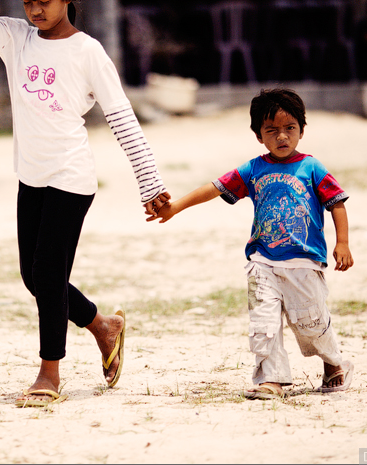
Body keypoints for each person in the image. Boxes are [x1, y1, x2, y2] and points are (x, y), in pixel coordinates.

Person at [0, 0, 171, 407]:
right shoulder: (17, 39)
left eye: (45, 0)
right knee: (33, 277)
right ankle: (103, 326)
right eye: (29, 1)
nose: (36, 10)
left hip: (71, 177)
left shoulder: (88, 51)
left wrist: (149, 183)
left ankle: (48, 373)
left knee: (49, 274)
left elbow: (122, 119)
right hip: (29, 176)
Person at [146, 88, 354, 399]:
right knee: (263, 322)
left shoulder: (312, 168)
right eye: (272, 131)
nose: (282, 136)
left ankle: (334, 363)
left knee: (310, 323)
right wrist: (175, 207)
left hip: (304, 262)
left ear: (301, 130)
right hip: (262, 260)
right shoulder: (253, 169)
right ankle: (271, 379)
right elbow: (214, 187)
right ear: (259, 135)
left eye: (290, 129)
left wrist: (343, 243)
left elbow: (336, 203)